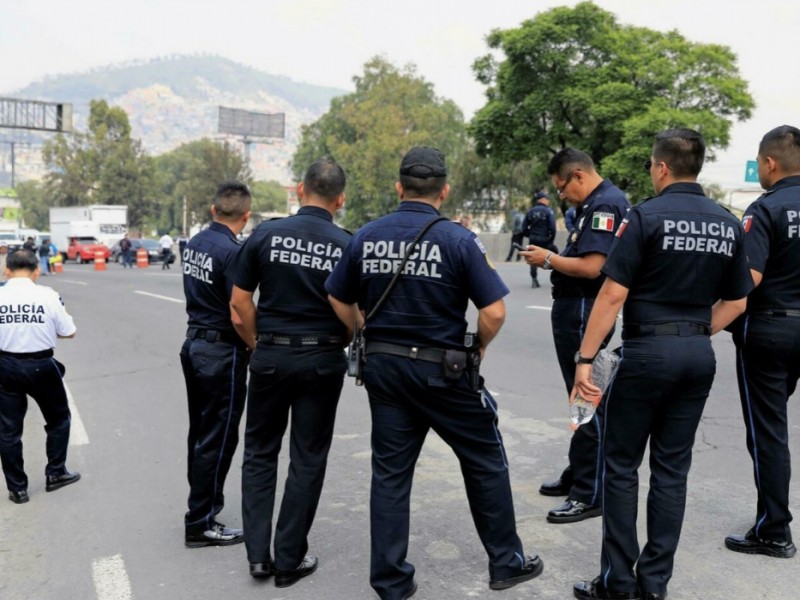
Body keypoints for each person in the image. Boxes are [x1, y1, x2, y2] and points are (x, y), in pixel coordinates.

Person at [326, 147, 543, 600]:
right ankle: (506, 562)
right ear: (444, 191)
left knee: (390, 474)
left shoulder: (366, 235)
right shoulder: (459, 240)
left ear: (398, 187)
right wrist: (478, 349)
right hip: (442, 372)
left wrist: (363, 332)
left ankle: (390, 581)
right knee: (484, 460)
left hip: (384, 369)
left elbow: (338, 298)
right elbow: (495, 312)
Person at [570, 128, 752, 600]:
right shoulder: (727, 223)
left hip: (646, 353)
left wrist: (585, 360)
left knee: (622, 466)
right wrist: (694, 334)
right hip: (697, 355)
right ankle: (654, 586)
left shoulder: (645, 217)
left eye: (652, 166)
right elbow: (737, 301)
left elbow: (612, 295)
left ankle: (618, 583)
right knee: (672, 471)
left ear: (663, 167)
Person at [229, 159, 352, 587]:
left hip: (271, 356)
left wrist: (257, 343)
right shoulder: (345, 243)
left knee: (260, 453)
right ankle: (288, 559)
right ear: (340, 199)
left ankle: (258, 557)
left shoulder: (265, 233)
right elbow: (356, 312)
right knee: (307, 458)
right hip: (322, 360)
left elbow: (239, 303)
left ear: (300, 190)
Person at [521, 148, 629, 524]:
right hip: (577, 306)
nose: (561, 195)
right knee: (578, 394)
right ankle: (580, 471)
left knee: (586, 396)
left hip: (585, 307)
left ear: (579, 176)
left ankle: (590, 492)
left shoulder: (605, 205)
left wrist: (547, 258)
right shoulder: (596, 204)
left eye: (562, 187)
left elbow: (591, 267)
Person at [725, 125, 800, 560]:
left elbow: (748, 280)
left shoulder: (765, 208)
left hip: (771, 331)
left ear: (769, 163)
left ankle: (774, 530)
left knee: (768, 432)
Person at [180, 182, 251, 548]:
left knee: (200, 434)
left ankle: (200, 509)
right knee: (219, 437)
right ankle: (201, 520)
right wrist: (256, 344)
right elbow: (239, 312)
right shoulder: (231, 252)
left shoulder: (194, 244)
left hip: (193, 345)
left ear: (213, 210)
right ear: (247, 215)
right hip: (222, 351)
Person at [0, 249, 79, 505]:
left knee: (9, 430)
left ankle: (18, 489)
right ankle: (55, 473)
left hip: (5, 366)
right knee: (59, 419)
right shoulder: (48, 295)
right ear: (36, 270)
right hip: (42, 366)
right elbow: (69, 332)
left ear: (6, 270)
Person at [522, 191, 557, 288]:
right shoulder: (548, 211)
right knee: (556, 255)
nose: (548, 201)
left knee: (532, 258)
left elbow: (523, 227)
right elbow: (553, 227)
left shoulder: (530, 211)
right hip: (545, 239)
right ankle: (559, 278)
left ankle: (534, 280)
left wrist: (530, 235)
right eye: (547, 199)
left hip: (533, 239)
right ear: (542, 200)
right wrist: (551, 239)